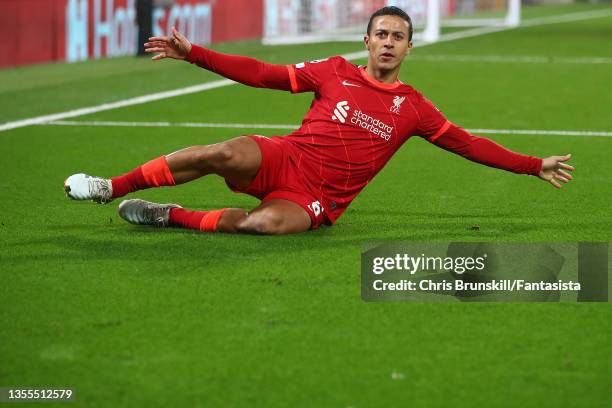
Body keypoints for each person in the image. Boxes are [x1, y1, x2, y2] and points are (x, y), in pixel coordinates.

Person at [64, 6, 574, 235]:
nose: (389, 42)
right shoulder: (333, 71)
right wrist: (194, 53)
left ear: (410, 47)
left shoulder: (415, 107)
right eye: (382, 34)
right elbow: (263, 73)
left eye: (399, 36)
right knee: (220, 152)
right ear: (368, 41)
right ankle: (110, 187)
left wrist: (533, 165)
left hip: (318, 198)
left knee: (263, 226)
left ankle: (166, 215)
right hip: (286, 157)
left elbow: (469, 144)